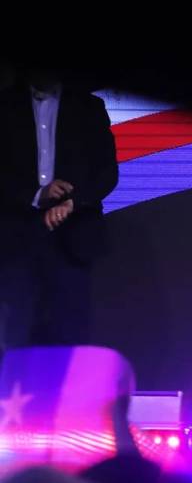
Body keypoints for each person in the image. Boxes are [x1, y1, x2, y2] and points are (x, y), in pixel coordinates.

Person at [0, 68, 119, 347]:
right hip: (16, 237)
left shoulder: (88, 107)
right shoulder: (4, 106)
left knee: (69, 332)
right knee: (15, 331)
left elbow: (106, 173)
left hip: (73, 238)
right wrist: (36, 194)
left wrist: (72, 202)